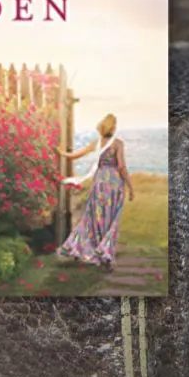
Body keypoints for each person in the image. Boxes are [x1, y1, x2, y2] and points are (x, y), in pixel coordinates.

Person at [55, 112, 133, 270]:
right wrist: (131, 187)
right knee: (111, 220)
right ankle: (105, 255)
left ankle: (77, 246)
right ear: (113, 127)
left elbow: (75, 155)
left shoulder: (95, 143)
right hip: (114, 183)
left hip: (99, 182)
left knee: (93, 217)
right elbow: (122, 167)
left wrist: (62, 153)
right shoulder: (118, 143)